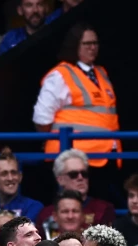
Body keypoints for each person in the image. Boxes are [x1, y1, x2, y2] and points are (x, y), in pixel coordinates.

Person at [34, 23, 120, 183]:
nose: (92, 47)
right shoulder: (60, 75)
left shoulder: (101, 73)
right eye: (87, 44)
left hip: (106, 155)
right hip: (72, 159)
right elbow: (41, 119)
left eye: (95, 43)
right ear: (75, 45)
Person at [35, 149, 116, 231]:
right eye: (73, 174)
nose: (80, 178)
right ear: (60, 180)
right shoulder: (46, 214)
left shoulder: (103, 209)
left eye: (84, 174)